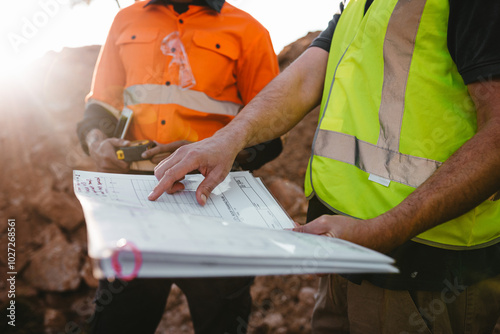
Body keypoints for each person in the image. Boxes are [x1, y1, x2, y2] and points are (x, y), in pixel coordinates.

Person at [148, 0, 500, 332]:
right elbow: (303, 80)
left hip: (424, 270)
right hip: (342, 248)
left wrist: (384, 231)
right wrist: (229, 138)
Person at [76, 0, 281, 333]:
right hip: (140, 204)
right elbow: (99, 109)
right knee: (117, 319)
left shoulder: (249, 31)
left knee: (222, 321)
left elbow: (271, 137)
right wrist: (97, 140)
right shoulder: (125, 19)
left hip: (217, 207)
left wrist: (216, 152)